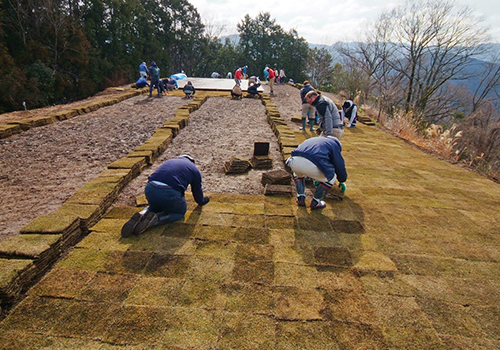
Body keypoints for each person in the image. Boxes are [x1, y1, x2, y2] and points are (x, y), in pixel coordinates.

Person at [121, 155, 210, 237]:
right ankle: (156, 219)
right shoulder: (194, 169)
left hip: (150, 188)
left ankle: (142, 213)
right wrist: (202, 201)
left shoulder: (170, 161)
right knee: (179, 213)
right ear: (192, 161)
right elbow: (197, 191)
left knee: (154, 207)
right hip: (169, 192)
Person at [286, 136, 347, 209]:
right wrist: (342, 179)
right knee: (331, 177)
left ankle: (300, 197)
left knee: (298, 173)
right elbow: (338, 164)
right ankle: (316, 202)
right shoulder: (334, 145)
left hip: (294, 161)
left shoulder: (314, 139)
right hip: (311, 164)